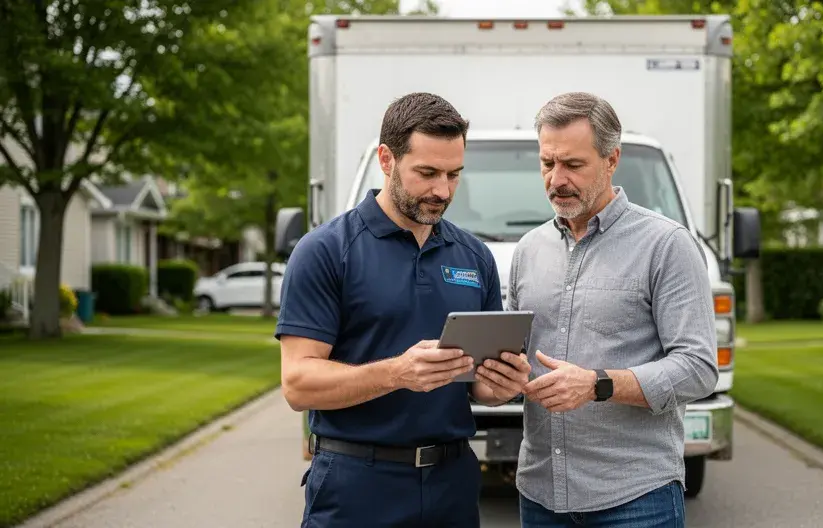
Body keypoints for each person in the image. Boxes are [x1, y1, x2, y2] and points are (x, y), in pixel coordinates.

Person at [275, 92, 532, 528]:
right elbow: (298, 384)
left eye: (454, 175)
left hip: (452, 485)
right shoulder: (326, 250)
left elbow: (479, 387)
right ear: (386, 159)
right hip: (356, 486)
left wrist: (502, 385)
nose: (442, 191)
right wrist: (398, 373)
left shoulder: (474, 257)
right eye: (427, 173)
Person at [506, 91, 719, 527]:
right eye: (547, 163)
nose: (557, 179)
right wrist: (499, 376)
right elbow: (518, 358)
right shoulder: (528, 250)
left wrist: (597, 384)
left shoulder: (667, 245)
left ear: (611, 160)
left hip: (636, 498)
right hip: (541, 494)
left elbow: (698, 367)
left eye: (573, 164)